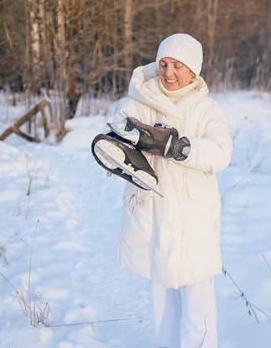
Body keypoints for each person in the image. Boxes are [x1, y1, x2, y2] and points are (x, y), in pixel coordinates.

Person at [93, 33, 233, 347]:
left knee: (198, 306)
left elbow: (221, 152)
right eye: (164, 64)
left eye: (177, 65)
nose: (168, 72)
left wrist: (177, 147)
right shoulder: (139, 102)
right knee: (163, 307)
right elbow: (118, 137)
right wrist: (119, 152)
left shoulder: (207, 110)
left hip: (191, 218)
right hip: (152, 212)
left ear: (193, 71)